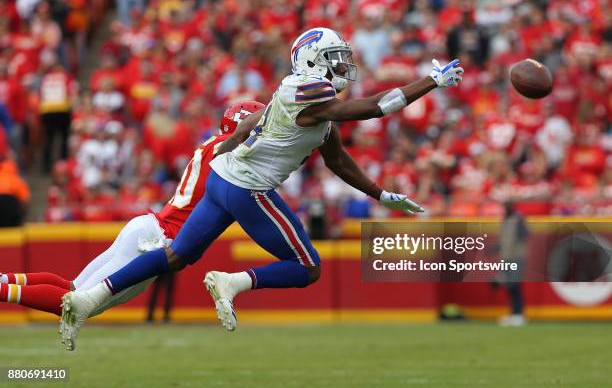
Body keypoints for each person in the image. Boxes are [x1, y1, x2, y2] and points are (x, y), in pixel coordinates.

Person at [60, 27, 463, 349]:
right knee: (308, 268)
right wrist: (429, 82)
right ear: (311, 60)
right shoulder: (308, 91)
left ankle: (88, 298)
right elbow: (372, 108)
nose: (342, 64)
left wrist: (381, 194)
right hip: (247, 189)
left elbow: (337, 160)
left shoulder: (311, 102)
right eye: (333, 57)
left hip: (223, 180)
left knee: (176, 256)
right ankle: (233, 281)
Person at [0, 101, 265, 346]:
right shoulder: (225, 152)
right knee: (75, 304)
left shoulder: (211, 146)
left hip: (148, 227)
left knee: (73, 288)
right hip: (155, 242)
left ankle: (4, 279)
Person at [497, 202, 529, 327]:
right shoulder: (506, 220)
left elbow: (524, 235)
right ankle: (514, 313)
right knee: (509, 286)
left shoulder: (518, 220)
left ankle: (518, 314)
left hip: (516, 257)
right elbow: (504, 240)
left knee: (514, 285)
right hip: (507, 257)